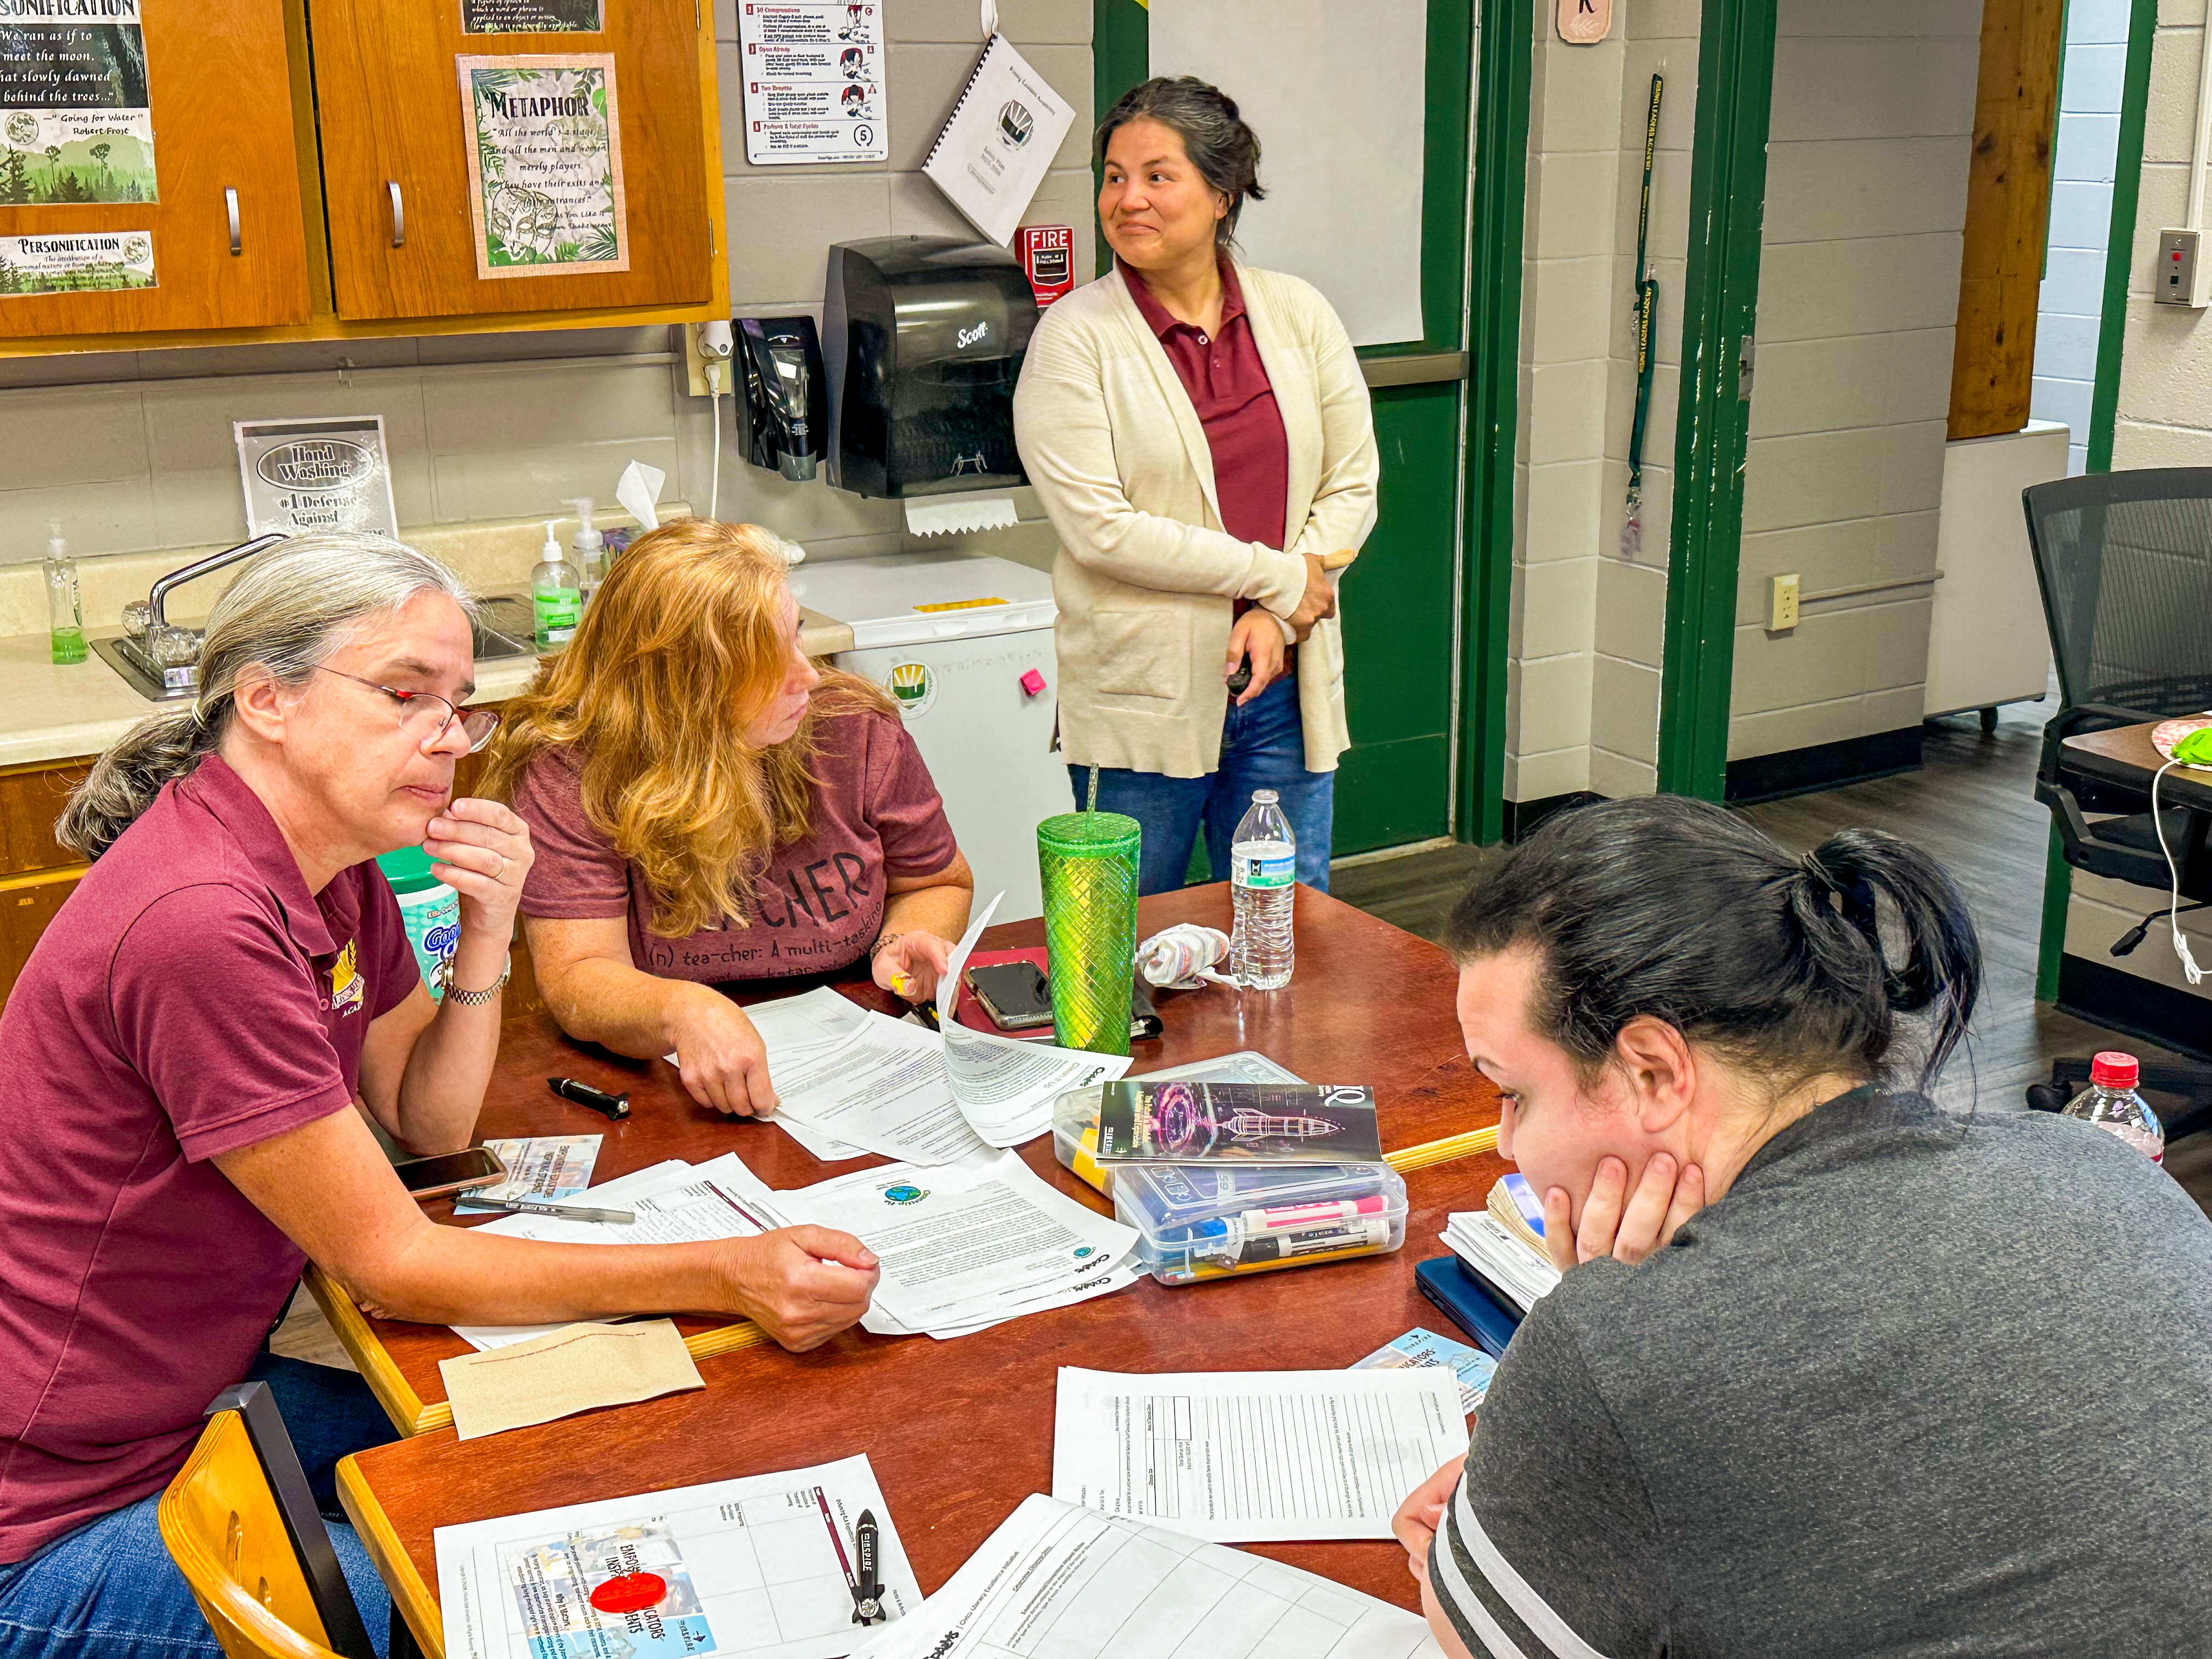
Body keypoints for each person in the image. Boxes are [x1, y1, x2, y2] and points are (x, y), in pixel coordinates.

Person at [0, 536, 881, 1659]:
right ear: (266, 698)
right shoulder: (202, 919)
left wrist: (489, 927)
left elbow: (430, 1123)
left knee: (544, 1448)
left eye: (460, 702)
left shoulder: (334, 864)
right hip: (55, 1510)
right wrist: (726, 1274)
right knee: (486, 1606)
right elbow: (394, 1266)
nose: (449, 736)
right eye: (406, 694)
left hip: (186, 1408)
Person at [1390, 795, 2212, 1657]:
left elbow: (1469, 1629)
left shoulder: (1626, 1342)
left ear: (1655, 1070)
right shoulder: (2098, 1162)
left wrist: (1587, 1336)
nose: (1506, 1142)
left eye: (1512, 1092)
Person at [1013, 76, 1379, 895]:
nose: (1128, 199)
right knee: (1126, 946)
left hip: (1282, 688)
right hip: (1143, 699)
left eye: (1156, 175)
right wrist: (1278, 579)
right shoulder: (1074, 341)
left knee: (1287, 927)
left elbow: (1353, 484)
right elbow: (1103, 530)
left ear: (1223, 194)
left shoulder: (1299, 314)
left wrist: (1279, 620)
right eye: (1114, 176)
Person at [482, 518, 973, 1121]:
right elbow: (579, 976)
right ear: (688, 686)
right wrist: (683, 1010)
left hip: (858, 1064)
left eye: (797, 637)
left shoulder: (856, 730)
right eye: (770, 661)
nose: (810, 675)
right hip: (665, 1085)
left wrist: (905, 942)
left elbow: (936, 882)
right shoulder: (571, 768)